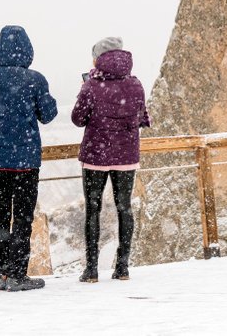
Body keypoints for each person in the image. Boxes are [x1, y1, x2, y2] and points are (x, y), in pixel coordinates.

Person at [0, 25, 58, 292]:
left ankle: (3, 274)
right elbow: (48, 114)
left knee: (0, 216)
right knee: (22, 217)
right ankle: (18, 273)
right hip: (26, 162)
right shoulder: (35, 80)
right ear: (27, 50)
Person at [71, 36, 151, 282]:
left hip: (96, 155)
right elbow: (140, 118)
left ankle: (92, 270)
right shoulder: (135, 84)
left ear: (99, 59)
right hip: (126, 155)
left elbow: (77, 119)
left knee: (93, 209)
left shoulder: (92, 86)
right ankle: (123, 267)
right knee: (124, 207)